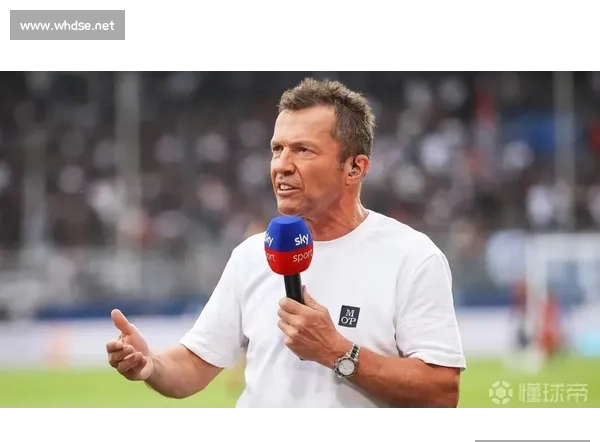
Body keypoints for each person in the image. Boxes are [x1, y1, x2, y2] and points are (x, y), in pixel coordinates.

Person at [106, 78, 467, 408]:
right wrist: (150, 364)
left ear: (355, 168)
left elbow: (441, 392)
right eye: (277, 149)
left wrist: (336, 351)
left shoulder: (412, 257)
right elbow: (194, 365)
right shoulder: (252, 255)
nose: (281, 165)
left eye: (303, 150)